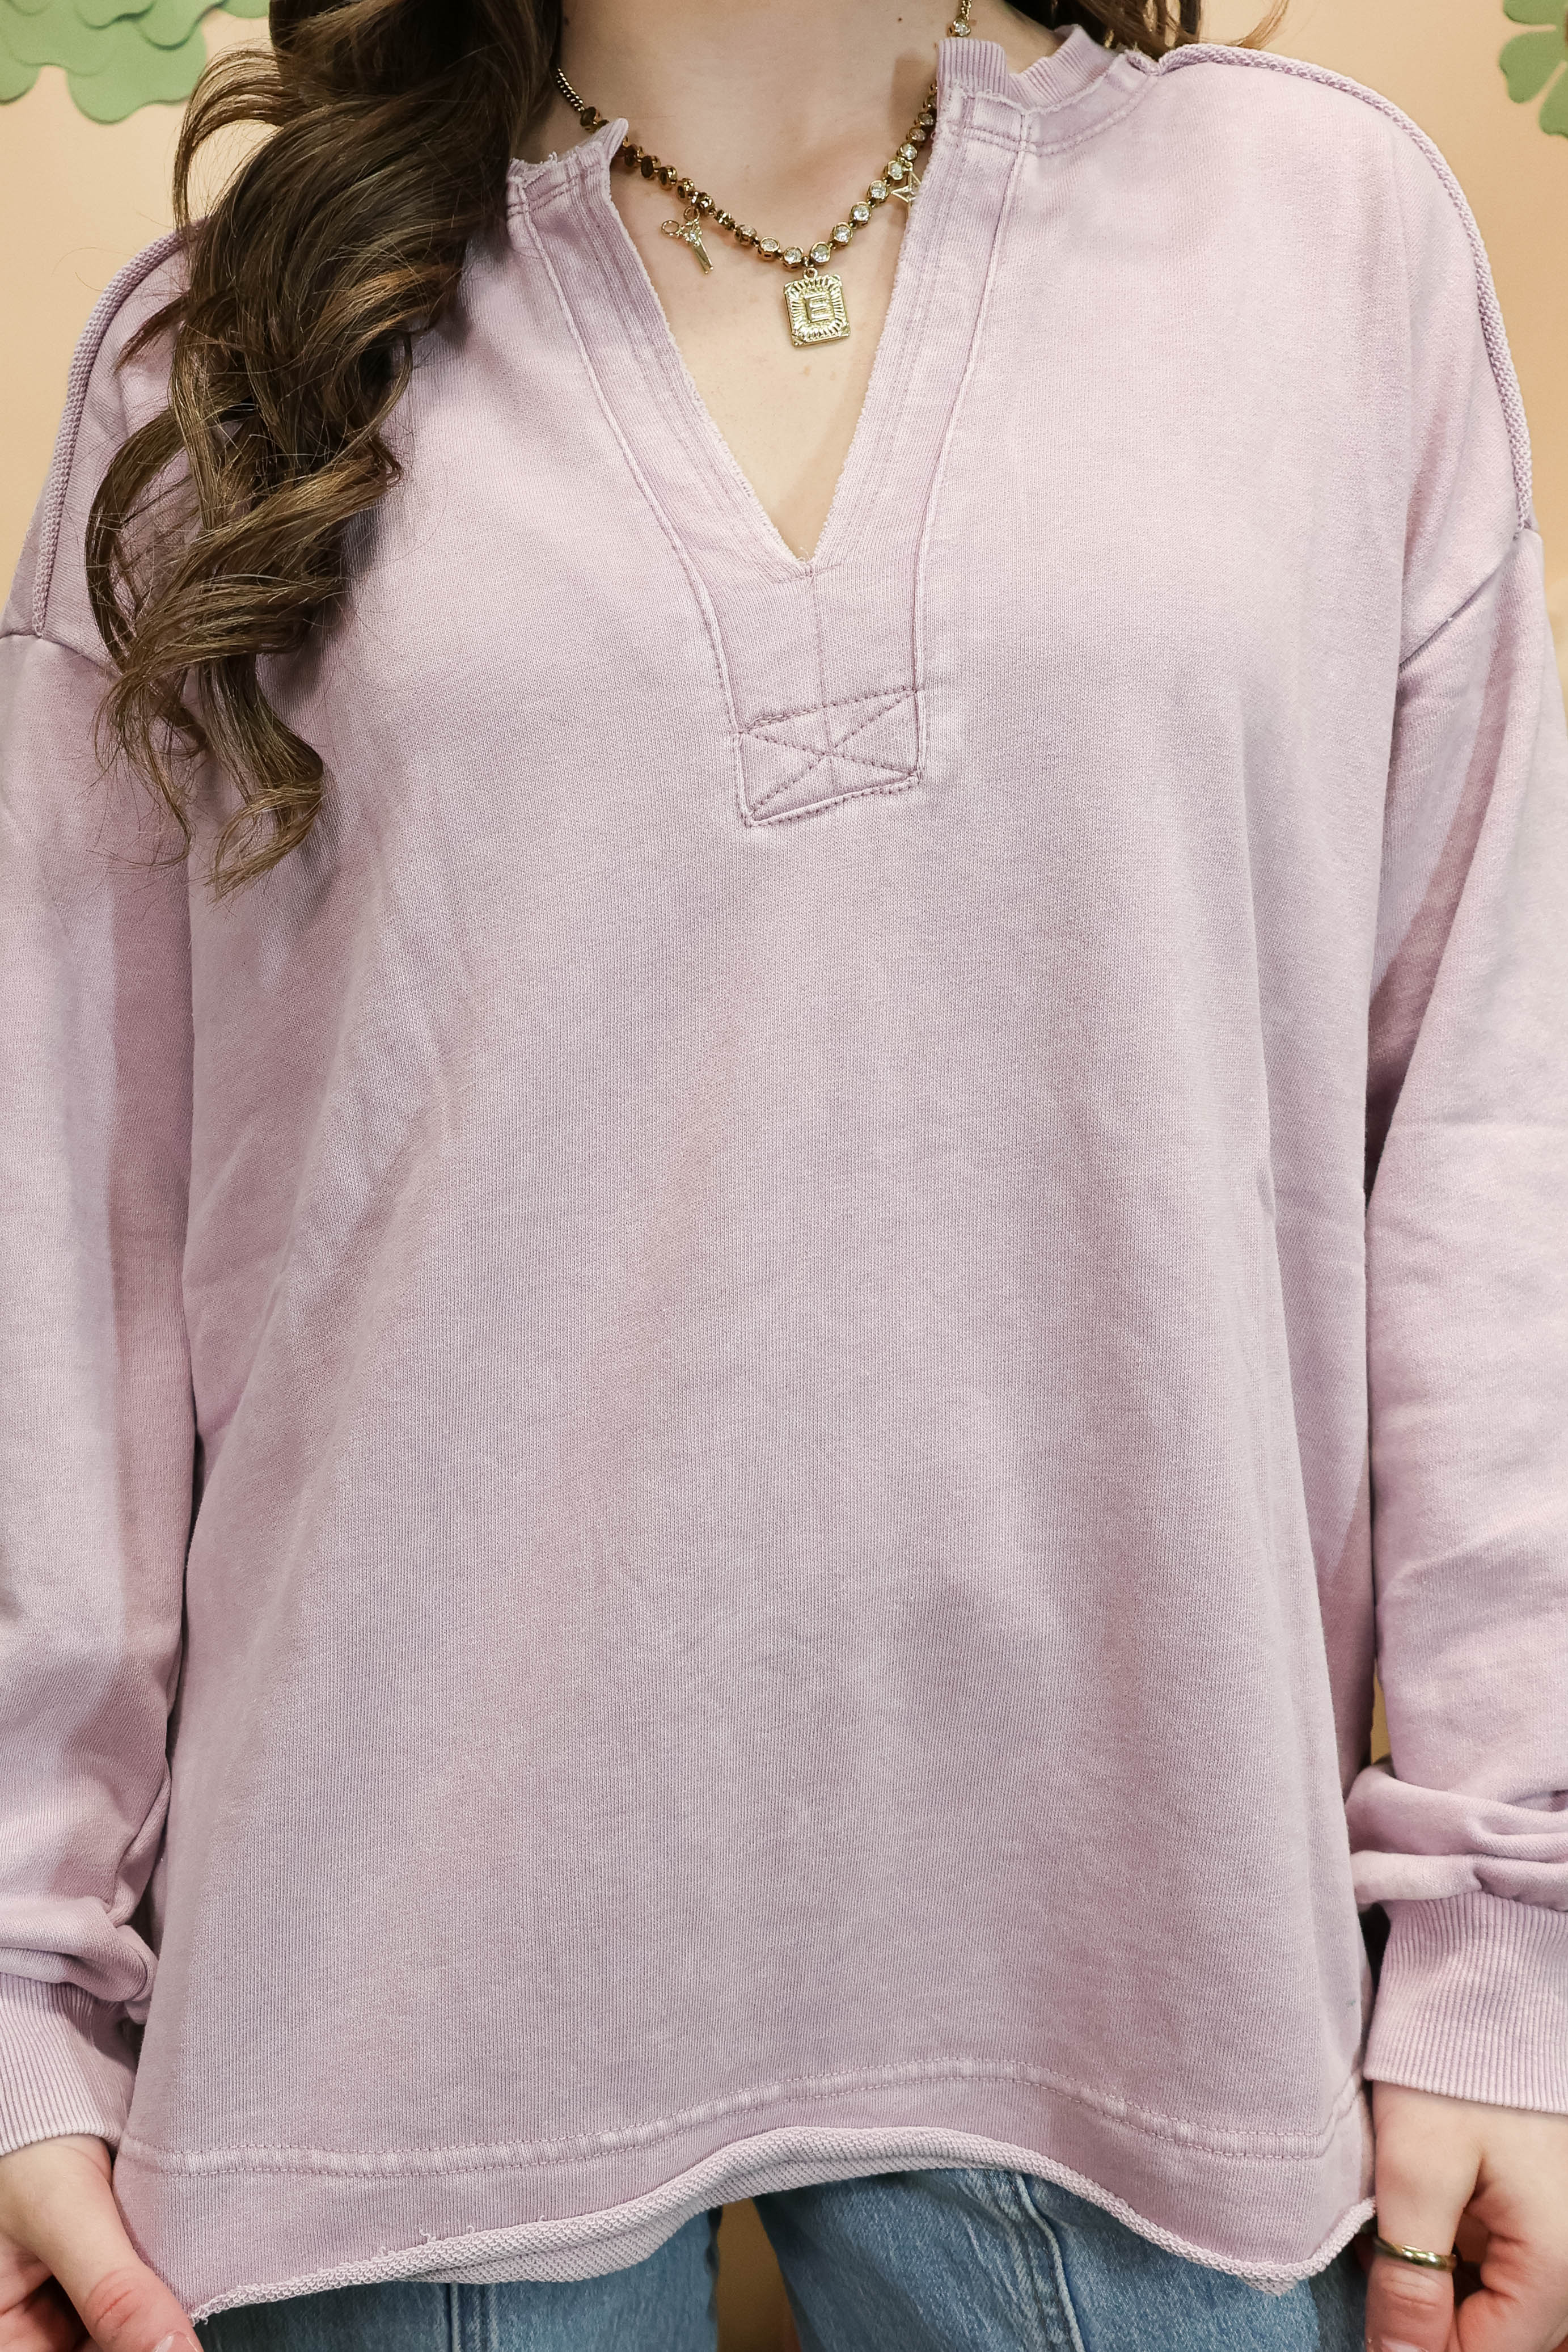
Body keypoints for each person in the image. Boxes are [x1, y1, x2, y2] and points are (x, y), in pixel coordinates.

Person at [1, 0, 1565, 2347]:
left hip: (1139, 1958)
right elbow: (67, 1242)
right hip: (400, 2002)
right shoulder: (227, 357)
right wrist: (22, 1989)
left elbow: (1485, 1127)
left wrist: (1507, 1936)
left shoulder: (1319, 237)